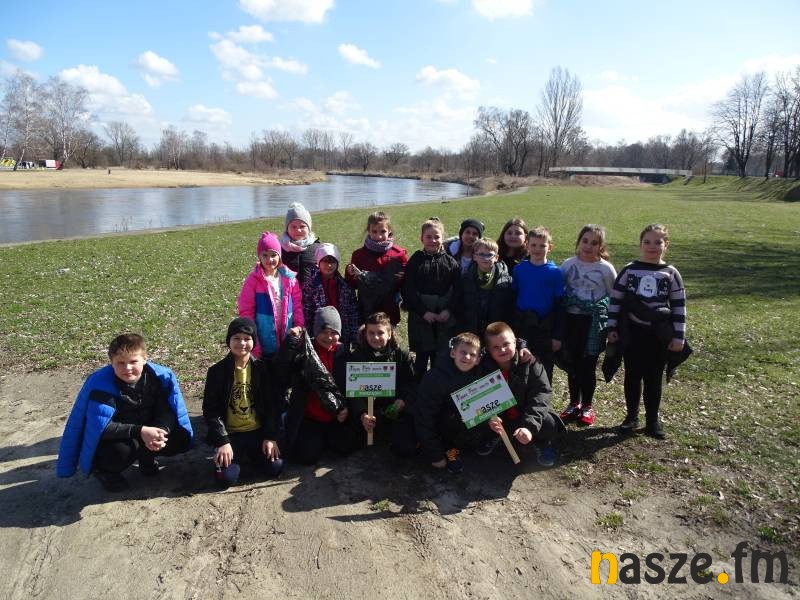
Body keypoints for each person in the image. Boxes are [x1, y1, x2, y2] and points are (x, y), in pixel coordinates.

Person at [56, 333, 193, 492]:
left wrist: (161, 431)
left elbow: (167, 411)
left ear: (145, 359)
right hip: (117, 438)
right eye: (120, 363)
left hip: (147, 429)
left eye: (133, 361)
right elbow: (101, 427)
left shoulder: (159, 377)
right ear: (111, 363)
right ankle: (105, 471)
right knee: (119, 452)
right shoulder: (101, 384)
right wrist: (140, 431)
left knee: (181, 437)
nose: (127, 368)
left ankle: (146, 458)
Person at [607, 224, 687, 439]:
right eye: (647, 242)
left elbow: (679, 306)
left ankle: (652, 421)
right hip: (632, 334)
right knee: (632, 376)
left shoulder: (671, 273)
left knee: (654, 378)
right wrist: (612, 327)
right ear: (640, 244)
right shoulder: (629, 270)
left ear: (666, 245)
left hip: (658, 336)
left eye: (658, 242)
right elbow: (615, 300)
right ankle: (631, 417)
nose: (652, 246)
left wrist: (679, 336)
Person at [202, 318, 284, 488]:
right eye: (236, 338)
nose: (242, 343)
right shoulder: (216, 372)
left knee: (275, 467)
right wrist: (222, 441)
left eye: (247, 338)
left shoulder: (263, 369)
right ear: (229, 341)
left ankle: (250, 456)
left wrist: (270, 436)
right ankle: (232, 457)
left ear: (254, 341)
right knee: (226, 479)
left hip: (257, 432)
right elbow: (210, 410)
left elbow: (273, 406)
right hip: (230, 434)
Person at [276, 307, 358, 465]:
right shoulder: (303, 352)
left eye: (333, 332)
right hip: (309, 417)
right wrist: (289, 343)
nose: (328, 337)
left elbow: (352, 386)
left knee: (346, 447)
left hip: (335, 416)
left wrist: (346, 408)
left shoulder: (344, 354)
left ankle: (324, 440)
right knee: (307, 456)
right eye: (324, 332)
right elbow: (282, 373)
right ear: (315, 331)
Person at [476, 322, 564, 467]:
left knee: (549, 422)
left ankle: (542, 443)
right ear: (488, 349)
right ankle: (492, 435)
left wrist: (529, 426)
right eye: (495, 347)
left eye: (506, 344)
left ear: (515, 342)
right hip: (500, 416)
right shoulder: (481, 366)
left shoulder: (531, 363)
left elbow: (541, 394)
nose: (502, 349)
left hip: (524, 414)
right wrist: (488, 419)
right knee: (473, 418)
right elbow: (476, 399)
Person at [559, 225, 617, 426]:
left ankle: (587, 406)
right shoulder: (568, 265)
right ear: (579, 242)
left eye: (594, 243)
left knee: (588, 364)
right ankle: (574, 403)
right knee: (572, 363)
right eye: (585, 241)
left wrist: (612, 325)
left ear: (601, 246)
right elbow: (560, 290)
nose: (588, 246)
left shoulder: (606, 269)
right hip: (571, 320)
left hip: (593, 322)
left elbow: (614, 297)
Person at [345, 312, 418, 457]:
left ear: (389, 334)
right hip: (369, 409)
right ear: (365, 334)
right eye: (371, 333)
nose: (376, 337)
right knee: (346, 444)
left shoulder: (401, 354)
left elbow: (411, 382)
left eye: (380, 333)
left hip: (394, 408)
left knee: (405, 447)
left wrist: (402, 400)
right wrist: (362, 414)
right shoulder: (358, 355)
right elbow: (352, 391)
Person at [414, 332, 483, 473]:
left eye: (472, 354)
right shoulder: (434, 378)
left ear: (478, 360)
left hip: (456, 424)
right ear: (452, 353)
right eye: (463, 352)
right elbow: (424, 416)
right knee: (405, 447)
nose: (467, 357)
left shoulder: (480, 375)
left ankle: (452, 447)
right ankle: (437, 447)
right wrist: (436, 456)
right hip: (434, 421)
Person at [401, 217, 460, 378]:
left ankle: (437, 387)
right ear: (422, 238)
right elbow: (408, 290)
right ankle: (418, 386)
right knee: (421, 357)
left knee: (440, 357)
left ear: (443, 238)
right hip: (421, 317)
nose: (433, 240)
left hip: (443, 317)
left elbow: (457, 290)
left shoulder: (451, 262)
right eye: (428, 237)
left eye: (437, 237)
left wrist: (448, 310)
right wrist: (423, 312)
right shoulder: (415, 261)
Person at [238, 231, 304, 358]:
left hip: (287, 337)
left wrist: (298, 325)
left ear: (280, 256)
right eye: (265, 255)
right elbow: (246, 311)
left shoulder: (289, 279)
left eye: (274, 255)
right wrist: (253, 341)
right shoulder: (253, 281)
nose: (269, 260)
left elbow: (297, 305)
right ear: (259, 257)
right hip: (264, 340)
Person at [513, 227, 565, 384]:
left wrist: (557, 336)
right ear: (527, 246)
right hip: (523, 325)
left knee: (544, 368)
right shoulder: (519, 269)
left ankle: (543, 396)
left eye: (542, 245)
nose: (537, 249)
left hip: (545, 327)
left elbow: (560, 305)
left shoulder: (555, 272)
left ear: (550, 247)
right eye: (533, 245)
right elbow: (514, 296)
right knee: (522, 365)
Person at [345, 210, 409, 326]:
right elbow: (352, 285)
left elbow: (406, 287)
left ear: (389, 231)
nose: (379, 236)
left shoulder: (399, 255)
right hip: (366, 311)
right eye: (374, 231)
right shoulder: (358, 255)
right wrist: (350, 273)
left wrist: (404, 278)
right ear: (368, 231)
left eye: (383, 231)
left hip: (389, 312)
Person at [454, 238, 516, 337]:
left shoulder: (506, 280)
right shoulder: (466, 279)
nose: (485, 258)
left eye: (489, 255)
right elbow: (460, 305)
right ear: (474, 257)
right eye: (481, 254)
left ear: (496, 257)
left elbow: (509, 306)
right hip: (471, 327)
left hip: (496, 329)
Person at [302, 243, 359, 347]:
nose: (329, 265)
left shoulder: (345, 286)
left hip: (341, 333)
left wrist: (354, 335)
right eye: (325, 261)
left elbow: (352, 312)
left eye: (332, 262)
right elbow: (306, 312)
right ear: (318, 262)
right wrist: (308, 335)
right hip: (319, 334)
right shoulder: (310, 286)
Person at [280, 202, 321, 284]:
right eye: (293, 227)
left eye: (302, 226)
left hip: (311, 291)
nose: (298, 230)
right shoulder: (279, 247)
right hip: (287, 291)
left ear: (308, 228)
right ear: (287, 228)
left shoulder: (318, 247)